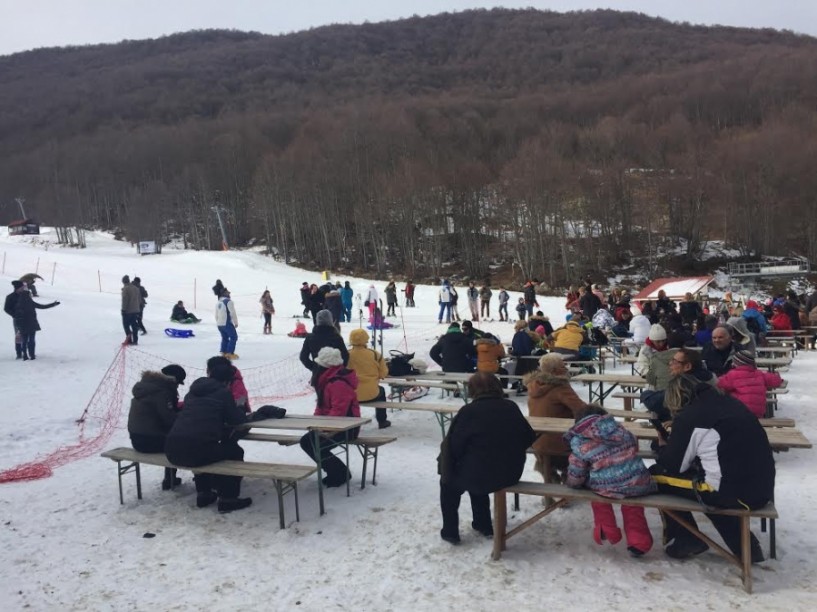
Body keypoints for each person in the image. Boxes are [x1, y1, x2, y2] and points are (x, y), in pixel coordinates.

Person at [649, 375, 773, 562]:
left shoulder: (691, 417)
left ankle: (686, 538)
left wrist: (664, 447)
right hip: (761, 488)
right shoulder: (730, 404)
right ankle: (746, 547)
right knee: (710, 483)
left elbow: (673, 466)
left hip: (731, 493)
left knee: (654, 477)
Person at [438, 373, 535, 543]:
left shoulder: (468, 412)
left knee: (451, 482)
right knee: (476, 467)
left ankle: (450, 531)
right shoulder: (510, 407)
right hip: (509, 472)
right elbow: (528, 437)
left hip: (483, 474)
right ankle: (482, 523)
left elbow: (455, 446)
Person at [565, 405, 656, 557]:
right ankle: (639, 542)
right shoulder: (622, 431)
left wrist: (573, 483)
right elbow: (633, 447)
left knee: (598, 497)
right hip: (637, 481)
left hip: (606, 486)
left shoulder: (580, 441)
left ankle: (606, 530)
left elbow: (577, 468)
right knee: (633, 507)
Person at [164, 357, 252, 513]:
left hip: (171, 450)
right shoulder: (223, 393)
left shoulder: (192, 392)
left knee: (205, 448)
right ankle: (228, 499)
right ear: (226, 381)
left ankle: (204, 493)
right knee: (234, 451)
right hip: (194, 452)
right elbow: (237, 420)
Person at [299, 347, 361, 487]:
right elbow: (321, 406)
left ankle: (340, 473)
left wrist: (323, 429)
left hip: (347, 428)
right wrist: (316, 423)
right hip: (334, 425)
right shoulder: (327, 381)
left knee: (311, 443)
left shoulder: (337, 383)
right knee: (309, 441)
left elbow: (339, 412)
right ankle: (337, 472)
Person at [526, 355, 587, 483]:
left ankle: (551, 476)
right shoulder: (560, 388)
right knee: (592, 445)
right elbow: (582, 410)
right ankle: (571, 477)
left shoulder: (534, 386)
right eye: (562, 366)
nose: (566, 368)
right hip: (559, 444)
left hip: (538, 442)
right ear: (554, 371)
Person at [128, 366, 185, 489]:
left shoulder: (146, 388)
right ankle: (173, 479)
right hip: (151, 441)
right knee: (182, 441)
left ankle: (169, 478)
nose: (178, 387)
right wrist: (185, 414)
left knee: (172, 438)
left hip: (136, 440)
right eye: (178, 384)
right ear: (173, 380)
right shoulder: (162, 392)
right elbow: (170, 420)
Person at [717, 350, 782, 418]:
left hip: (739, 412)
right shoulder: (760, 374)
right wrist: (778, 377)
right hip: (758, 413)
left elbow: (719, 383)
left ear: (735, 363)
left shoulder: (732, 375)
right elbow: (776, 380)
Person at [347, 328, 390, 429]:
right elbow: (383, 373)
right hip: (372, 393)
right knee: (382, 391)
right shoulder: (375, 354)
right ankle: (382, 420)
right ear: (366, 339)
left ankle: (350, 422)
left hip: (352, 394)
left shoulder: (346, 355)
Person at [299, 310, 349, 386]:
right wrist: (339, 368)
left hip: (318, 376)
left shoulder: (310, 338)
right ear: (330, 320)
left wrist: (314, 368)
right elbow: (345, 356)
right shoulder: (336, 337)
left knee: (321, 397)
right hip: (335, 375)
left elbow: (303, 357)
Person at [13, 284, 59, 360]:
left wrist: (18, 325)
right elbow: (42, 306)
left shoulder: (18, 305)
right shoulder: (31, 303)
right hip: (32, 324)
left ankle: (25, 355)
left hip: (23, 325)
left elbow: (17, 316)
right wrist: (53, 304)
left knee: (24, 340)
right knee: (32, 340)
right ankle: (32, 355)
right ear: (28, 295)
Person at [215, 288, 239, 359]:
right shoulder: (228, 302)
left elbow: (216, 314)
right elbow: (232, 312)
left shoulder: (218, 302)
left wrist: (218, 322)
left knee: (225, 337)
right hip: (226, 322)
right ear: (225, 293)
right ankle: (229, 353)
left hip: (219, 323)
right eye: (228, 292)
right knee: (233, 337)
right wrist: (235, 322)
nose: (229, 294)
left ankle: (223, 351)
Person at [4, 280, 25, 358]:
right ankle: (19, 353)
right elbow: (6, 308)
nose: (23, 288)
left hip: (27, 319)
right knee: (19, 336)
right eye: (22, 287)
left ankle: (26, 351)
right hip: (17, 319)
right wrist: (14, 315)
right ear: (17, 288)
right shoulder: (10, 297)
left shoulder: (25, 296)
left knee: (27, 335)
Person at [121, 275, 141, 346]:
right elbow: (139, 300)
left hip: (128, 311)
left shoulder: (126, 289)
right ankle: (135, 341)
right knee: (134, 326)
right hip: (136, 310)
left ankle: (129, 340)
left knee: (126, 326)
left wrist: (123, 310)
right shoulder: (136, 288)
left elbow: (125, 300)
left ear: (124, 281)